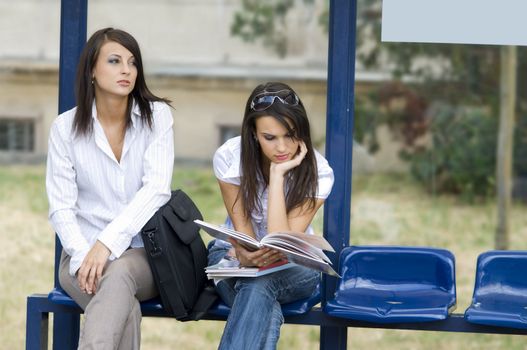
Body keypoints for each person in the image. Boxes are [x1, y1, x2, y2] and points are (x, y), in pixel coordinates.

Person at [46, 27, 174, 349]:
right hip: (79, 255)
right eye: (115, 61)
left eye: (132, 63)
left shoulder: (156, 117)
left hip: (143, 254)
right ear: (92, 70)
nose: (127, 70)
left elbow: (157, 189)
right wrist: (83, 255)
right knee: (123, 307)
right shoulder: (65, 129)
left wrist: (106, 244)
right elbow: (61, 208)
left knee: (118, 275)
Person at [208, 82, 334, 349]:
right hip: (232, 259)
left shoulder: (319, 171)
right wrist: (243, 254)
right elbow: (242, 229)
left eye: (290, 135)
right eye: (270, 137)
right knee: (261, 297)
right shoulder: (230, 156)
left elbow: (282, 243)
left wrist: (277, 177)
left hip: (295, 268)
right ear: (253, 133)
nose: (282, 147)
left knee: (260, 285)